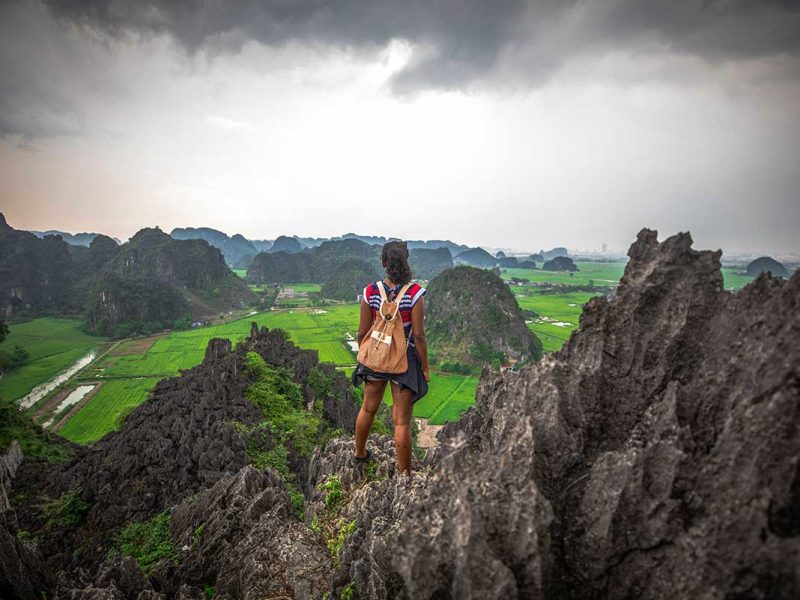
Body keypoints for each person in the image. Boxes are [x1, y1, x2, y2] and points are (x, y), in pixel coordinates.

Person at [350, 240, 430, 475]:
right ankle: (404, 474)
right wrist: (424, 367)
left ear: (384, 263)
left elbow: (362, 332)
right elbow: (418, 334)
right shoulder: (415, 294)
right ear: (405, 261)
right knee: (402, 421)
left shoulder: (371, 291)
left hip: (374, 359)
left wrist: (367, 354)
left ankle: (359, 453)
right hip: (404, 363)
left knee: (367, 408)